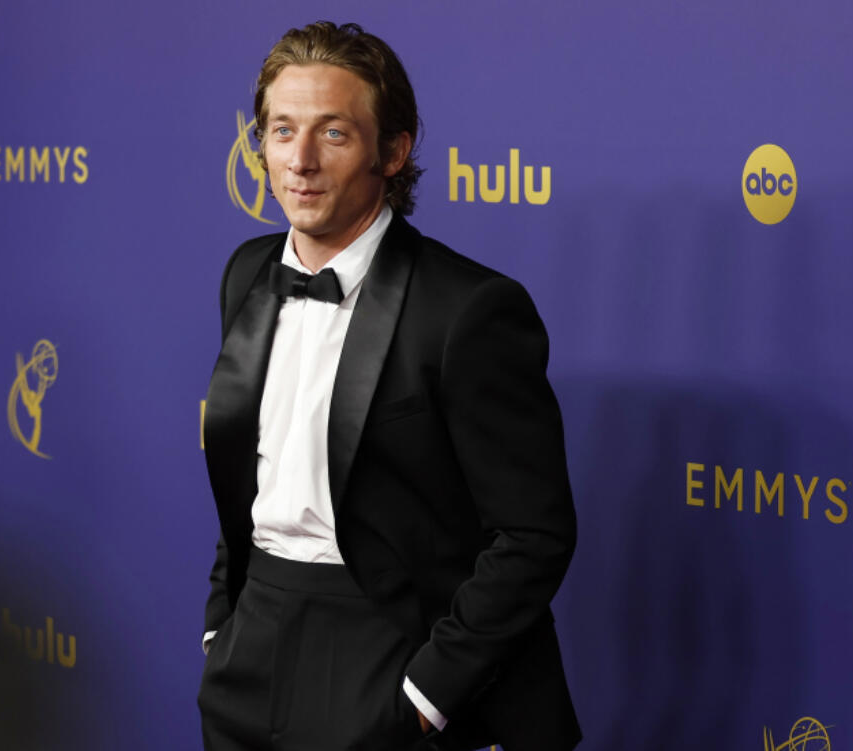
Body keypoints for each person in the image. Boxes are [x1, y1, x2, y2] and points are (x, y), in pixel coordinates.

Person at [198, 21, 580, 751]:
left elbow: (534, 533)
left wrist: (426, 694)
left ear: (394, 151)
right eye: (282, 131)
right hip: (251, 647)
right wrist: (224, 623)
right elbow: (249, 472)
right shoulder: (247, 273)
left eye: (333, 134)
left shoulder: (467, 309)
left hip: (388, 647)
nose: (300, 161)